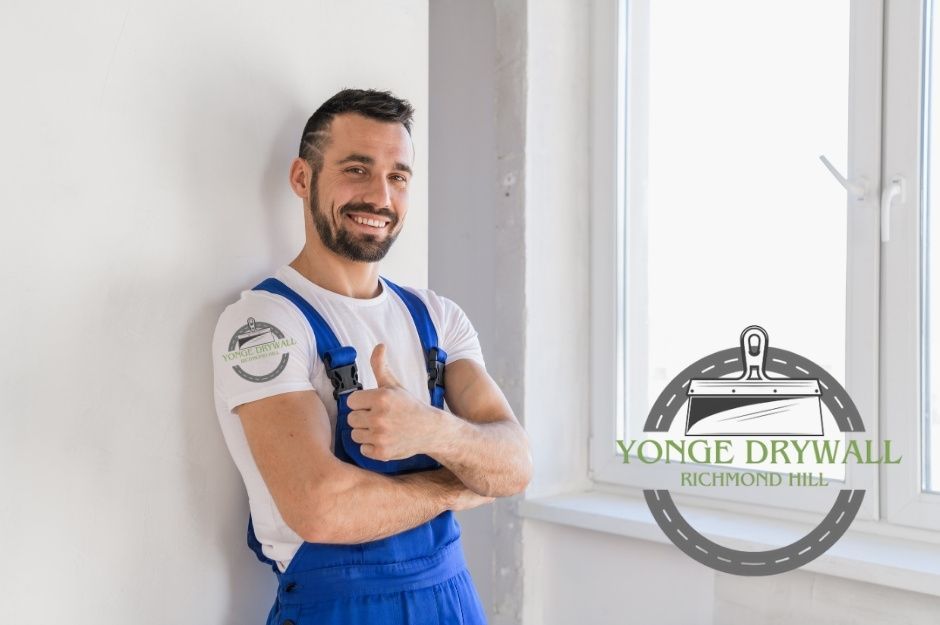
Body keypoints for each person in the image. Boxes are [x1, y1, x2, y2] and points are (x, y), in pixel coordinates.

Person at [212, 88, 533, 625]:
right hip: (338, 609)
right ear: (302, 178)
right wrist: (458, 481)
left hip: (455, 600)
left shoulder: (437, 316)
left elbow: (516, 466)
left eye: (398, 176)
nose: (380, 197)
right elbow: (320, 507)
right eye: (356, 169)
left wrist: (432, 431)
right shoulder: (263, 324)